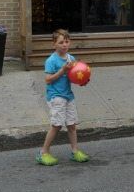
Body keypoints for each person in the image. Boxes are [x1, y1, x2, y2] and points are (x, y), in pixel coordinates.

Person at [37, 29, 90, 166]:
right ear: (54, 44)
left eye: (67, 41)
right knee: (56, 125)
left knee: (72, 125)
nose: (64, 45)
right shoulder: (51, 60)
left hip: (68, 96)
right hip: (56, 97)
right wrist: (62, 71)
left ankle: (75, 151)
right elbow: (48, 80)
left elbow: (72, 77)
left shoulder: (71, 59)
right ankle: (43, 153)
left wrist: (81, 81)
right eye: (61, 42)